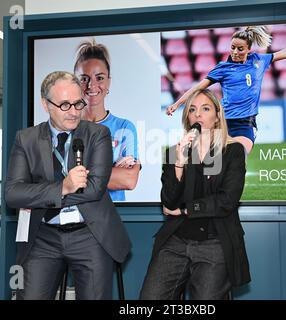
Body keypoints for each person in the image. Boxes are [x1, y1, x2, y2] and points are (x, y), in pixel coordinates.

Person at [5, 71, 131, 300]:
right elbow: (13, 194)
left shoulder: (98, 134)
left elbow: (94, 189)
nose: (74, 112)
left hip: (90, 234)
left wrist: (39, 193)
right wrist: (63, 187)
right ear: (45, 104)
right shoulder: (26, 139)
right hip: (42, 237)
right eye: (65, 105)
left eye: (78, 103)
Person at [140, 89, 250, 300]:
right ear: (187, 118)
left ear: (217, 115)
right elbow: (168, 200)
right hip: (177, 241)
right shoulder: (175, 151)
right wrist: (179, 163)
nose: (198, 114)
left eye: (205, 108)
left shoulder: (232, 151)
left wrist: (185, 209)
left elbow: (226, 201)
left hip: (215, 241)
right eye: (192, 109)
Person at [166, 26, 286, 154]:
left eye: (240, 49)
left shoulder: (259, 61)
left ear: (249, 49)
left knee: (238, 156)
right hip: (223, 122)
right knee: (214, 163)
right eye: (233, 48)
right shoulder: (223, 68)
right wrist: (177, 103)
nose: (235, 52)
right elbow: (198, 88)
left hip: (246, 123)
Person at [74, 39, 140, 201]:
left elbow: (129, 180)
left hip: (112, 219)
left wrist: (79, 174)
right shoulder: (66, 127)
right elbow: (59, 179)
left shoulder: (124, 128)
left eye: (100, 78)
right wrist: (112, 170)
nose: (91, 85)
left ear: (109, 81)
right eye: (84, 79)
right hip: (76, 218)